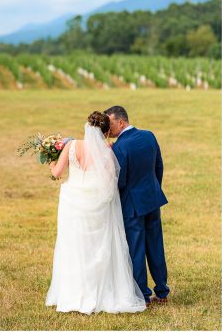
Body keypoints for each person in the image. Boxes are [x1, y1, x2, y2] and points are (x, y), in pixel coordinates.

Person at [45, 111, 146, 313]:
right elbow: (110, 186)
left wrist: (50, 160)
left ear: (86, 126)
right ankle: (100, 292)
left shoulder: (71, 146)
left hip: (72, 203)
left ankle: (73, 293)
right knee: (98, 248)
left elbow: (56, 174)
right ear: (106, 131)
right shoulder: (108, 152)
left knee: (73, 246)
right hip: (97, 206)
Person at [105, 105, 170, 305]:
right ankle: (162, 291)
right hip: (152, 199)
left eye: (110, 124)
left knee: (136, 249)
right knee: (156, 245)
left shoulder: (120, 147)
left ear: (121, 122)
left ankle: (142, 294)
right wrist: (153, 189)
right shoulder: (149, 135)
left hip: (132, 205)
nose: (108, 129)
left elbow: (120, 181)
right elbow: (159, 165)